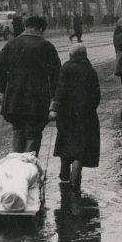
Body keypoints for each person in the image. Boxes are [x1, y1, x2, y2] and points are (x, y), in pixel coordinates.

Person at [0, 15, 61, 156]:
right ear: (41, 29)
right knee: (33, 134)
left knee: (17, 130)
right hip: (37, 101)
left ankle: (17, 168)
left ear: (25, 27)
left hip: (14, 101)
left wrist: (6, 90)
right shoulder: (46, 46)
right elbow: (57, 76)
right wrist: (54, 100)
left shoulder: (11, 44)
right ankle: (28, 167)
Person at [49, 43, 101, 193]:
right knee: (81, 144)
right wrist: (90, 109)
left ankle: (64, 170)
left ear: (71, 55)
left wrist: (55, 108)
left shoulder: (65, 68)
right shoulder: (90, 70)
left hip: (66, 114)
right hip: (85, 114)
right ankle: (77, 169)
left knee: (65, 139)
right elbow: (96, 94)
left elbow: (60, 90)